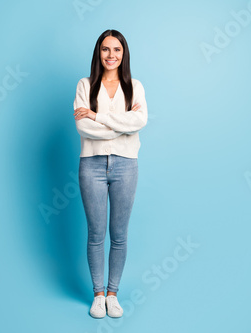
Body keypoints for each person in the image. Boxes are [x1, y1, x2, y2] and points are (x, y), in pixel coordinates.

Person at [73, 29, 148, 319]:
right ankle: (98, 294)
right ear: (98, 52)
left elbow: (140, 121)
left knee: (119, 234)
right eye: (105, 49)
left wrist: (97, 116)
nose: (111, 55)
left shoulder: (135, 87)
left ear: (124, 54)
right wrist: (123, 123)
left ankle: (113, 294)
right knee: (95, 234)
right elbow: (83, 128)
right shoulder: (85, 84)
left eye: (116, 50)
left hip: (126, 164)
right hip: (91, 164)